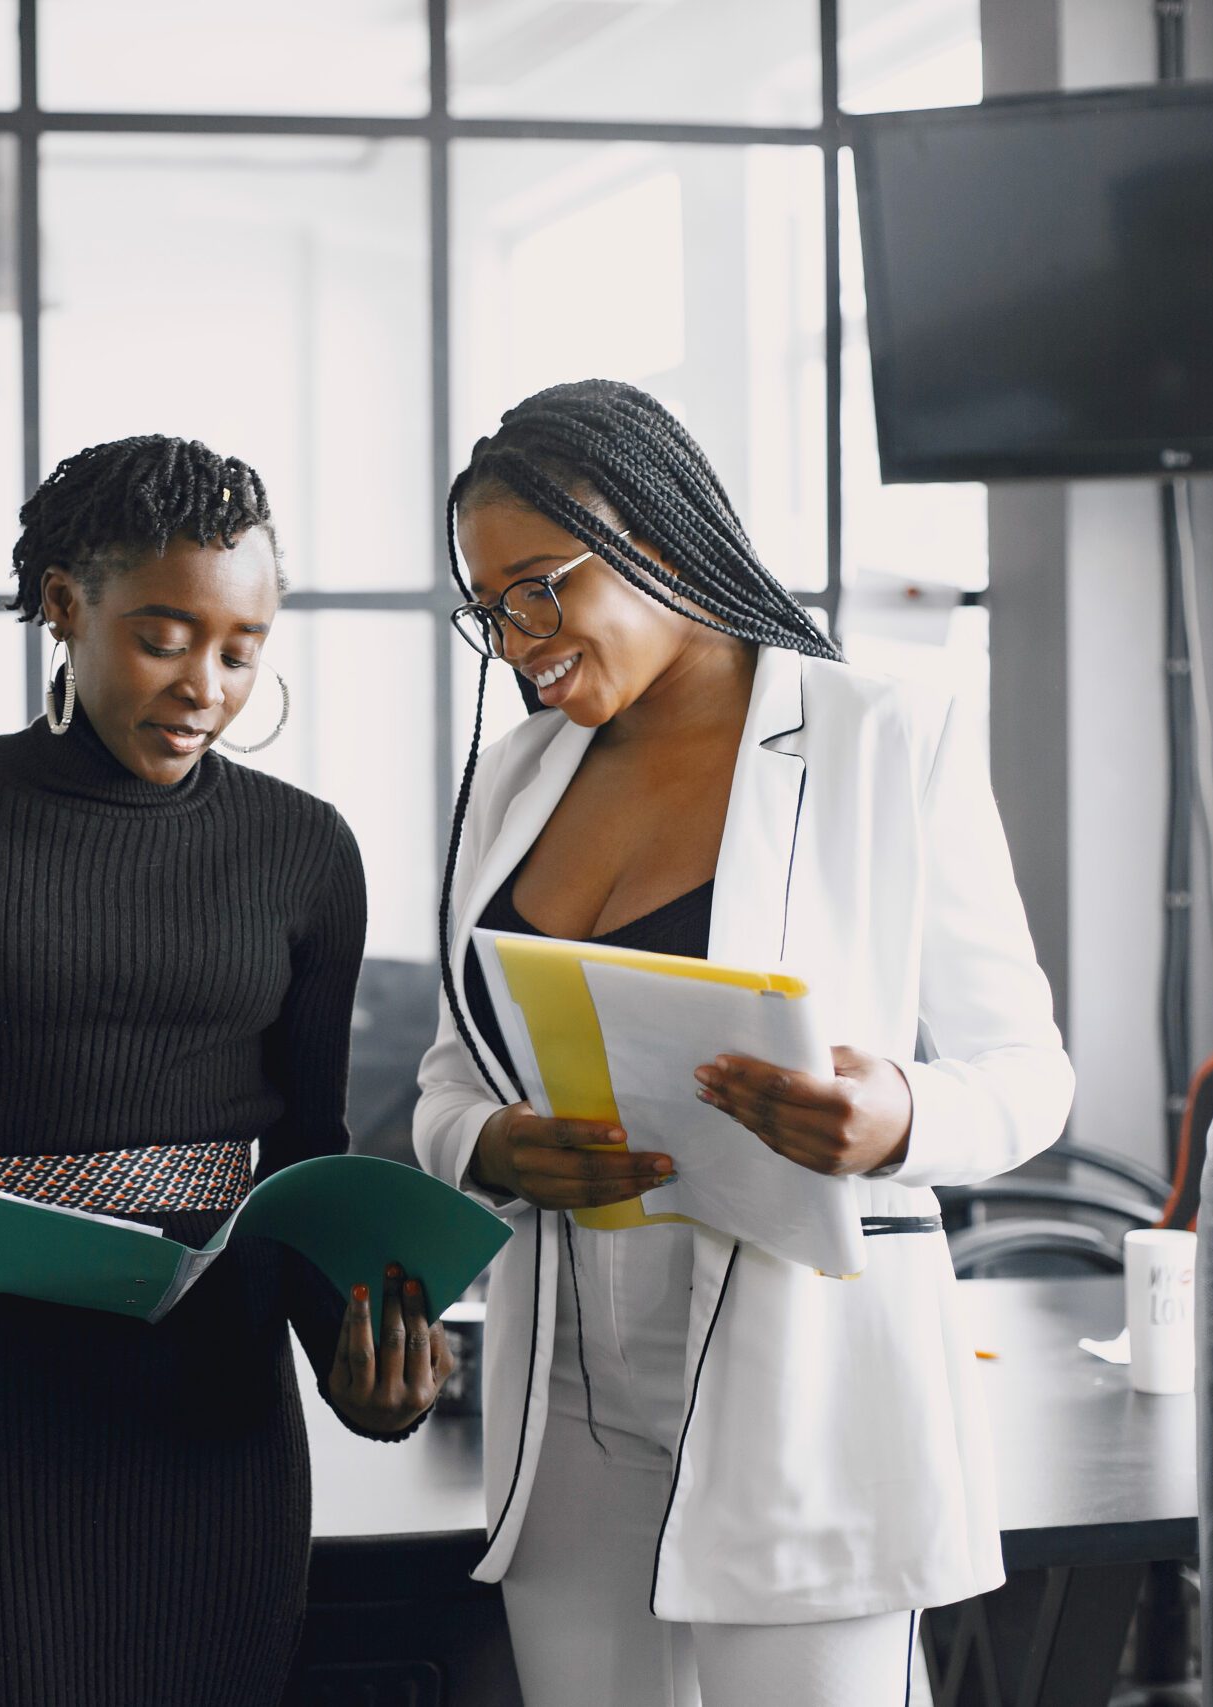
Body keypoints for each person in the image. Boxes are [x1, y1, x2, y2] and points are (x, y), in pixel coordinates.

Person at [0, 435, 453, 1707]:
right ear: (64, 605)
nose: (206, 687)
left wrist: (361, 1380)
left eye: (242, 650)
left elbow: (302, 1158)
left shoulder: (303, 852)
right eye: (165, 637)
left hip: (219, 1428)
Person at [414, 380, 1075, 1707]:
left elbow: (1028, 1072)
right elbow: (447, 1073)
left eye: (541, 587)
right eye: (490, 608)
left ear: (657, 536)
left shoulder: (880, 736)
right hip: (571, 1401)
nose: (517, 638)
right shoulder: (512, 776)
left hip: (805, 1392)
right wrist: (490, 1144)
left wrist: (896, 1112)